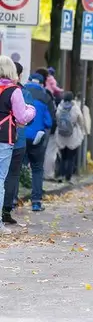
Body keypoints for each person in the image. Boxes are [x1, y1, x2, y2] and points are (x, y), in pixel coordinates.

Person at [0, 57, 35, 231]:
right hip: (4, 138)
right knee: (1, 179)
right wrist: (31, 110)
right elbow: (22, 117)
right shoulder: (14, 91)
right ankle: (1, 219)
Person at [22, 71, 55, 212]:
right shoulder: (45, 96)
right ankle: (36, 202)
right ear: (42, 83)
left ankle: (11, 202)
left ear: (28, 80)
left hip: (20, 136)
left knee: (16, 170)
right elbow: (49, 121)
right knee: (37, 169)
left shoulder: (21, 92)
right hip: (37, 138)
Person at [55, 92, 86, 182]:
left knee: (63, 156)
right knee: (71, 157)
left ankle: (61, 174)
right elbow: (80, 119)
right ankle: (68, 176)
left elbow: (57, 118)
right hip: (73, 135)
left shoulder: (60, 107)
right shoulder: (75, 107)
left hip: (61, 134)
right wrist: (82, 129)